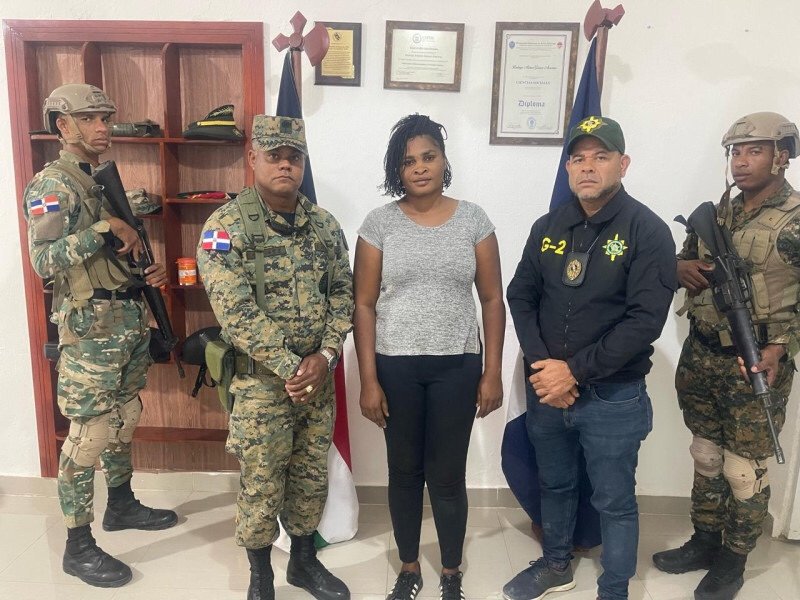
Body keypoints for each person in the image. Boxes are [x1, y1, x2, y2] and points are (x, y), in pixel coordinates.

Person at [503, 116, 677, 600]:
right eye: (578, 158)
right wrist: (544, 368)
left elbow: (644, 321)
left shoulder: (647, 230)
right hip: (549, 392)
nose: (587, 167)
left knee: (614, 501)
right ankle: (556, 565)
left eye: (601, 156)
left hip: (612, 396)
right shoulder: (548, 226)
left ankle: (615, 589)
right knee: (555, 486)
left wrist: (572, 372)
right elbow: (521, 295)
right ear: (567, 168)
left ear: (623, 164)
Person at [22, 83, 177, 588]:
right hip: (90, 328)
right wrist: (105, 228)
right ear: (62, 125)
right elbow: (43, 260)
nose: (102, 127)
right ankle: (77, 545)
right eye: (89, 118)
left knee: (125, 415)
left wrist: (144, 272)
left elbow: (115, 257)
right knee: (88, 433)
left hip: (125, 319)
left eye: (105, 117)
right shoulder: (52, 185)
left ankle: (122, 504)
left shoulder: (97, 181)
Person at [197, 115, 353, 600]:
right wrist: (293, 368)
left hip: (317, 378)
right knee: (262, 481)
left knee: (310, 476)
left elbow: (344, 294)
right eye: (274, 156)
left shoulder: (324, 225)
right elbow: (234, 311)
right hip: (262, 385)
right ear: (253, 158)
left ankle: (303, 563)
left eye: (294, 157)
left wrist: (325, 355)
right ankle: (260, 576)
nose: (285, 165)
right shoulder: (224, 227)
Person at [353, 114, 505, 600]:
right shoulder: (379, 223)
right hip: (395, 366)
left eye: (428, 156)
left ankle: (452, 571)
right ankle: (409, 566)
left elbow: (492, 299)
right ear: (396, 169)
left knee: (447, 475)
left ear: (443, 160)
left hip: (456, 365)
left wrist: (492, 372)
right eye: (408, 161)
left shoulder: (473, 219)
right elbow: (364, 304)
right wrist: (369, 381)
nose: (419, 168)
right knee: (404, 473)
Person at [652, 112, 800, 600]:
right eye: (735, 152)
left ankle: (733, 562)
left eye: (754, 151)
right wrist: (681, 267)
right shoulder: (716, 214)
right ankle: (704, 541)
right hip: (702, 355)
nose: (741, 161)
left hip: (756, 362)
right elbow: (683, 258)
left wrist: (781, 346)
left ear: (782, 156)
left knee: (744, 469)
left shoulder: (796, 218)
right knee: (706, 456)